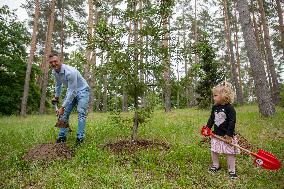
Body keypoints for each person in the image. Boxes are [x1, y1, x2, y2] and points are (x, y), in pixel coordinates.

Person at [49, 53, 90, 144]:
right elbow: (58, 85)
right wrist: (56, 97)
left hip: (82, 91)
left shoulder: (70, 72)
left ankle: (80, 138)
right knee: (64, 115)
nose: (53, 64)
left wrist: (62, 107)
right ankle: (62, 138)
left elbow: (72, 91)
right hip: (71, 90)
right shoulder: (54, 71)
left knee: (81, 113)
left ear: (60, 61)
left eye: (55, 61)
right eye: (51, 62)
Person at [205, 81, 240, 179]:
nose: (213, 97)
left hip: (226, 135)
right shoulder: (215, 107)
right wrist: (207, 128)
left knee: (230, 152)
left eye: (215, 95)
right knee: (214, 150)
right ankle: (216, 165)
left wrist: (229, 135)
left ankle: (231, 170)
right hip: (216, 135)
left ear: (224, 96)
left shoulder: (230, 108)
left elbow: (232, 122)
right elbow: (212, 118)